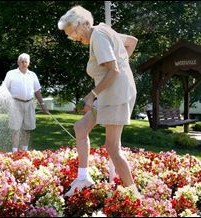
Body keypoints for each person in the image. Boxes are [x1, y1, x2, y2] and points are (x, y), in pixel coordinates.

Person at [58, 6, 140, 197]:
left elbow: (114, 71)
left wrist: (90, 95)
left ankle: (135, 197)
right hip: (107, 95)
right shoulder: (103, 30)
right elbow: (132, 42)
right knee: (81, 127)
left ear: (82, 24)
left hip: (116, 96)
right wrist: (121, 61)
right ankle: (83, 178)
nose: (74, 39)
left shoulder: (99, 37)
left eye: (73, 34)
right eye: (70, 36)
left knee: (112, 147)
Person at [3, 53, 48, 153]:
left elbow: (37, 91)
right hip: (15, 103)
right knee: (15, 129)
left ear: (29, 63)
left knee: (27, 129)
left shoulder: (32, 75)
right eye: (22, 61)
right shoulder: (11, 73)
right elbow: (4, 89)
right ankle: (14, 152)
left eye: (26, 62)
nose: (24, 63)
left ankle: (24, 151)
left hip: (29, 104)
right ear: (18, 62)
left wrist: (43, 104)